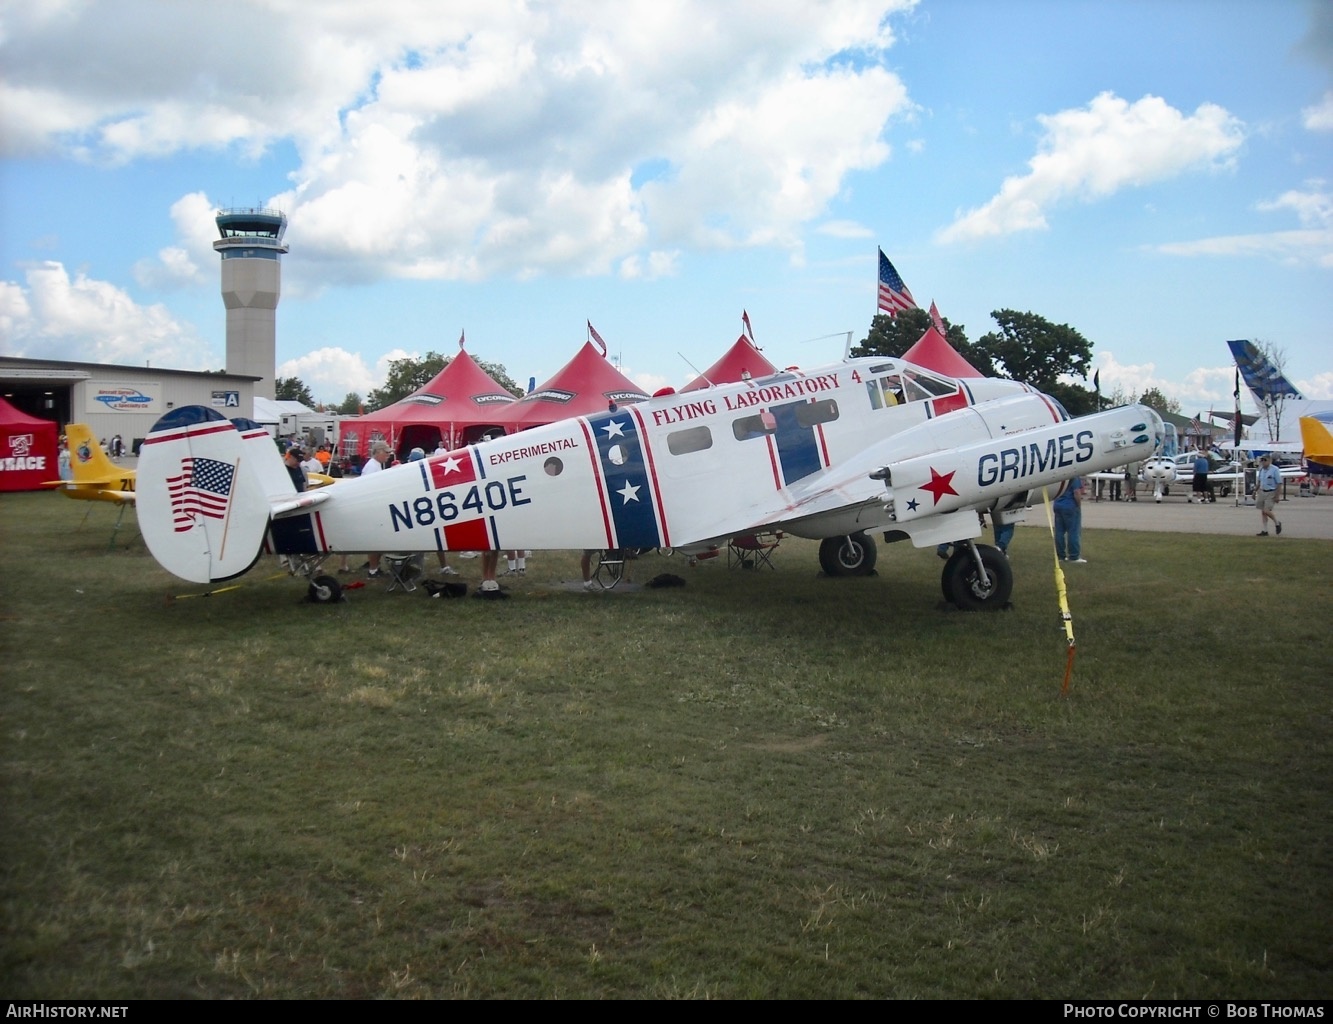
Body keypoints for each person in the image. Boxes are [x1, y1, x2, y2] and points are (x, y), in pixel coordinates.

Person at [361, 441, 392, 576]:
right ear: (378, 452)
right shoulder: (372, 467)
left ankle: (375, 567)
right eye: (386, 453)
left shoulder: (376, 465)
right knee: (376, 540)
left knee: (380, 539)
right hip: (371, 508)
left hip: (374, 507)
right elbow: (368, 488)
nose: (388, 455)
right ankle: (373, 569)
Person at [1053, 476, 1085, 563]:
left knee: (1059, 532)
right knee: (1073, 531)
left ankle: (1060, 556)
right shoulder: (1074, 477)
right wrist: (1078, 505)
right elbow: (1077, 492)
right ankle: (1074, 556)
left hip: (1058, 504)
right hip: (1070, 505)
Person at [1255, 455, 1282, 536]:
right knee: (1263, 512)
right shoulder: (1261, 470)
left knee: (1266, 511)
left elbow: (1279, 483)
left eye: (1265, 460)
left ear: (1269, 461)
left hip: (1271, 492)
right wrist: (1254, 491)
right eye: (1261, 460)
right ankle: (1265, 530)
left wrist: (1277, 496)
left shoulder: (1275, 470)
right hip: (1262, 491)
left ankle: (1277, 523)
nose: (1263, 462)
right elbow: (1259, 482)